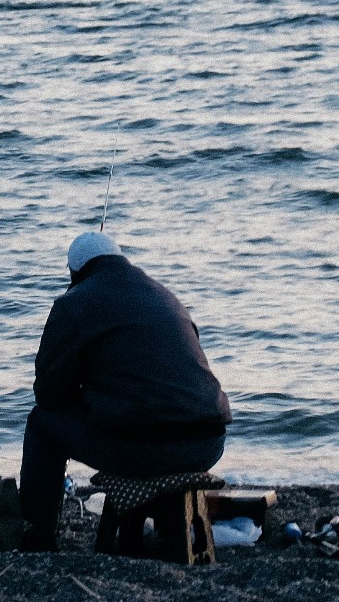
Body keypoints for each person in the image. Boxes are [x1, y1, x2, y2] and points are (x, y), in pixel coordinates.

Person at [18, 231, 230, 551]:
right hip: (208, 445)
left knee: (42, 423)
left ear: (74, 271)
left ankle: (39, 535)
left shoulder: (73, 303)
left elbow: (48, 395)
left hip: (145, 450)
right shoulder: (165, 296)